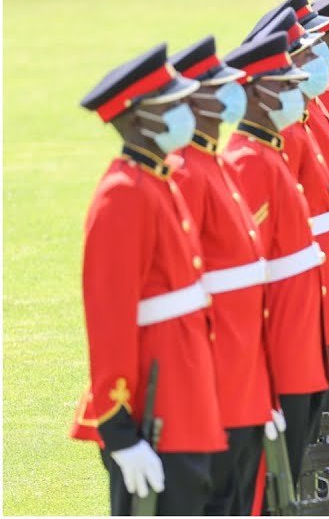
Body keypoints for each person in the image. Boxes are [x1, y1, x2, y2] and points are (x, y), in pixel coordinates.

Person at [74, 43, 226, 515]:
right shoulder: (122, 195)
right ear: (140, 120)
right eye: (175, 106)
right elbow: (109, 319)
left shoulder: (159, 179)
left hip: (185, 393)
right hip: (153, 408)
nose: (188, 112)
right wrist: (120, 430)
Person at [167, 37, 283, 516]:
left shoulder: (211, 162)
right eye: (221, 89)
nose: (232, 95)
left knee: (234, 489)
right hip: (214, 364)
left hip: (239, 361)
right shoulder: (189, 172)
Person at [221, 32, 329, 479]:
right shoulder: (248, 160)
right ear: (253, 91)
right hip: (279, 330)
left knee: (297, 440)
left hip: (297, 323)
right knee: (269, 468)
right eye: (284, 84)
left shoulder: (270, 150)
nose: (295, 92)